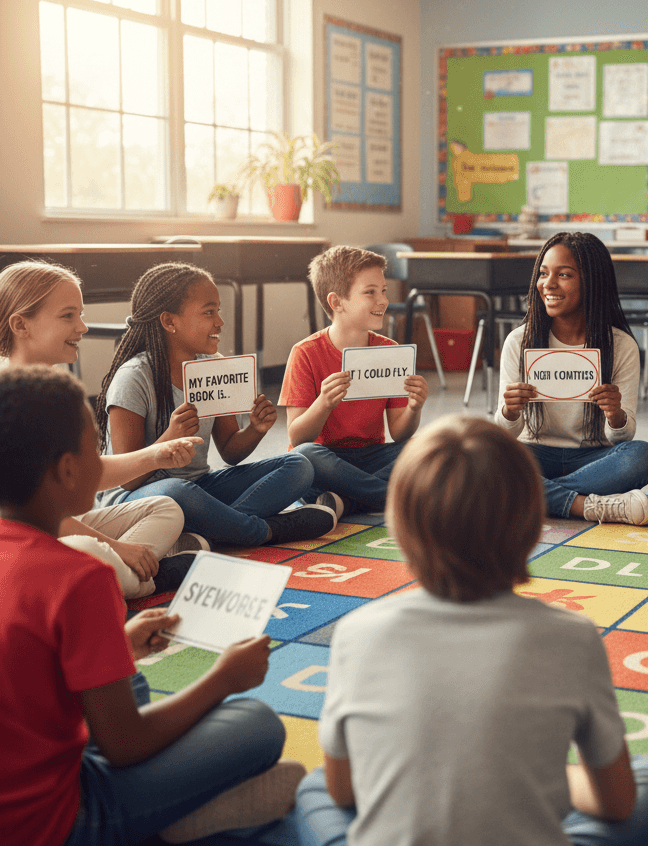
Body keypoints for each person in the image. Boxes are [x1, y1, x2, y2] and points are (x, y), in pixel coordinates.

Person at [294, 415, 648, 846]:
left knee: (312, 788)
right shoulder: (572, 637)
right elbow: (618, 804)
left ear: (400, 529)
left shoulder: (356, 632)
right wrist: (536, 779)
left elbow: (344, 791)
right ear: (533, 525)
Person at [0, 365, 305, 846]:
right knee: (258, 724)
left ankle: (171, 800)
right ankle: (173, 819)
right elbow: (125, 745)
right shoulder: (80, 576)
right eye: (94, 452)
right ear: (70, 471)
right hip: (44, 837)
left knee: (130, 678)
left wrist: (115, 644)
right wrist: (224, 678)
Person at [94, 262, 337, 548]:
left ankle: (213, 530)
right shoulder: (134, 378)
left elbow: (231, 452)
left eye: (218, 311)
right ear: (169, 322)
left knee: (299, 465)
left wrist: (257, 430)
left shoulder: (214, 365)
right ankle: (265, 530)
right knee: (177, 492)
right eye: (209, 312)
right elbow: (127, 482)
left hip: (200, 489)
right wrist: (168, 440)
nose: (220, 322)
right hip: (137, 498)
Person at [0, 260, 205, 597]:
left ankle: (114, 574)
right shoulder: (13, 401)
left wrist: (156, 455)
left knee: (166, 507)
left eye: (80, 314)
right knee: (93, 553)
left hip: (64, 525)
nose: (82, 327)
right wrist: (117, 547)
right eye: (68, 316)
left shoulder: (57, 388)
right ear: (21, 325)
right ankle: (149, 575)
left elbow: (82, 473)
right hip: (20, 536)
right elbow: (32, 506)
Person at [495, 232, 648, 525]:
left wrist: (615, 415)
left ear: (592, 282)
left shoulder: (621, 345)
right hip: (534, 452)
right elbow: (507, 433)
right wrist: (509, 411)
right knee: (486, 454)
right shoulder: (518, 341)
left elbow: (623, 437)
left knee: (642, 456)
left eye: (564, 274)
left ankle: (530, 496)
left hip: (593, 456)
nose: (549, 284)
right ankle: (585, 506)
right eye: (544, 273)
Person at [282, 245, 429, 517]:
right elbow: (298, 436)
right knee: (304, 457)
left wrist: (414, 407)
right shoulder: (305, 353)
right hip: (326, 460)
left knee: (425, 447)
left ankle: (347, 502)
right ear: (337, 302)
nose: (383, 300)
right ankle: (400, 497)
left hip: (372, 457)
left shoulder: (389, 350)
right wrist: (324, 403)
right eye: (370, 292)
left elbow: (399, 433)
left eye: (383, 290)